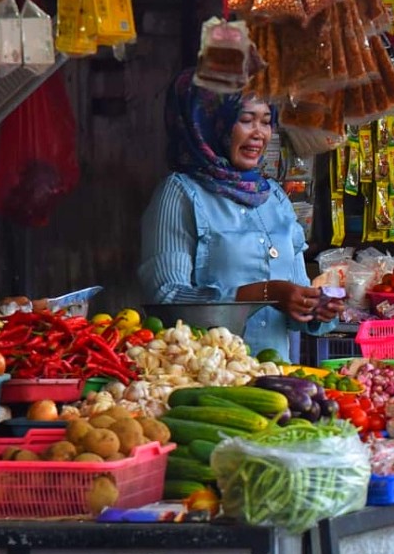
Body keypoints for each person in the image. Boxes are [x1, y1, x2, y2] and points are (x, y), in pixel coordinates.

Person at [139, 71, 341, 356]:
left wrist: (317, 308)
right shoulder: (181, 194)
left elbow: (296, 298)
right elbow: (167, 298)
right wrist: (268, 293)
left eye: (266, 121)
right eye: (245, 120)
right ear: (208, 123)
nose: (259, 134)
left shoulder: (275, 197)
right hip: (208, 377)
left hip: (275, 376)